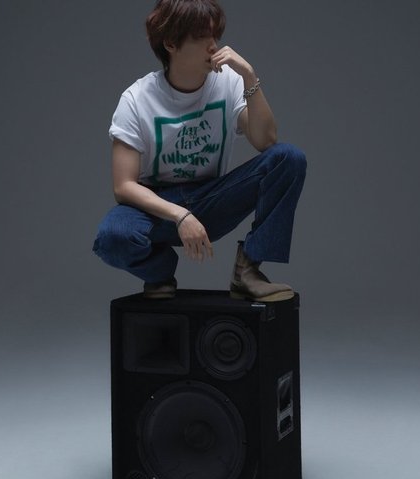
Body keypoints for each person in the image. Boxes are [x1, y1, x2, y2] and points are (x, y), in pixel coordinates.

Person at [93, 0, 307, 301]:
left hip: (212, 199)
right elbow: (123, 187)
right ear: (171, 43)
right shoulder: (137, 99)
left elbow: (267, 141)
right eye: (202, 37)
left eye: (215, 36)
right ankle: (160, 273)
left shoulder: (228, 82)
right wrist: (180, 215)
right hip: (158, 207)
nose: (214, 46)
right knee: (112, 237)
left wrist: (249, 76)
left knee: (289, 159)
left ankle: (248, 270)